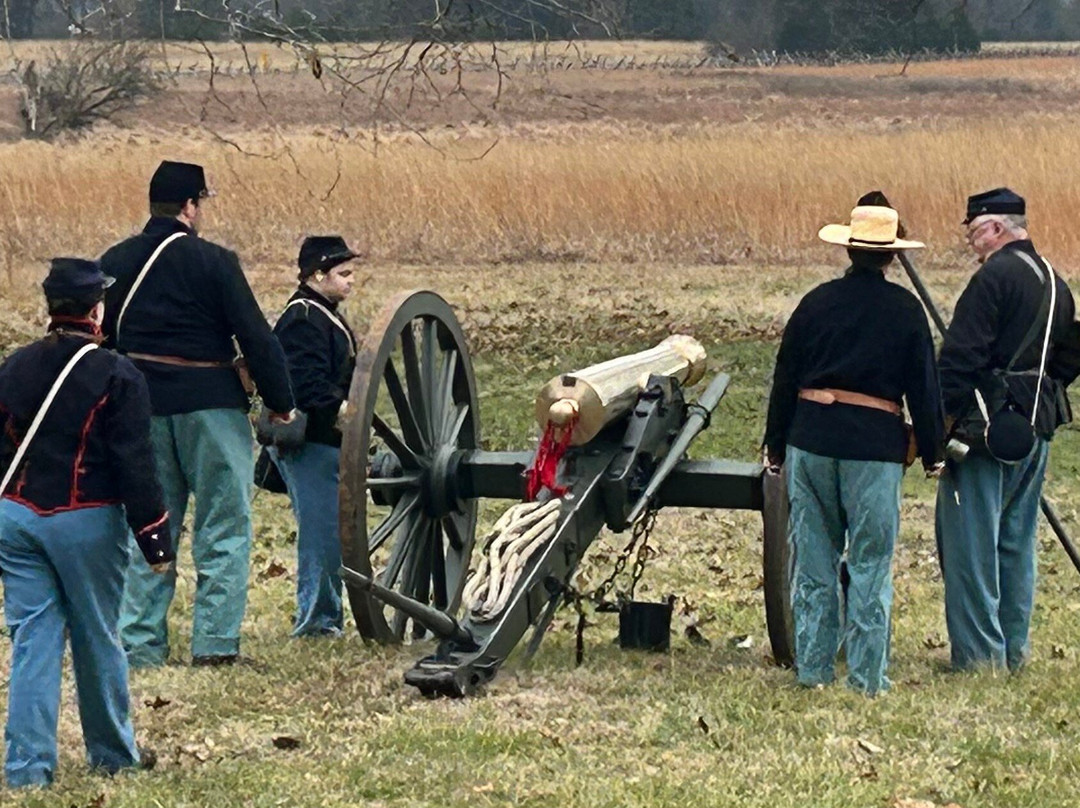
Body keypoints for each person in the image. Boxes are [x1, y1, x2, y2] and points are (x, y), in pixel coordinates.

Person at [100, 160, 295, 668]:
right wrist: (280, 400)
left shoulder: (115, 261)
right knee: (223, 526)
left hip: (139, 410)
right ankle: (214, 644)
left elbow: (103, 342)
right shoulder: (215, 262)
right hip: (210, 407)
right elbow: (256, 337)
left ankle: (140, 645)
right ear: (190, 206)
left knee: (148, 524)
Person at [0, 259, 173, 788]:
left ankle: (27, 770)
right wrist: (155, 538)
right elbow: (135, 464)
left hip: (14, 516)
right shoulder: (118, 374)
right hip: (84, 520)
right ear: (98, 309)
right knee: (98, 637)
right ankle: (114, 757)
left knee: (33, 639)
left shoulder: (13, 366)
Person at [764, 193, 945, 695]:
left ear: (849, 250)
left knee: (815, 563)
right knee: (869, 563)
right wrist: (932, 454)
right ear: (891, 255)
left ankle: (814, 669)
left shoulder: (815, 303)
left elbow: (785, 378)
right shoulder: (907, 310)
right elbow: (924, 389)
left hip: (811, 440)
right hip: (874, 448)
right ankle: (867, 678)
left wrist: (775, 444)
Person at [936, 188, 1075, 672]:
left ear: (995, 228)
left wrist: (941, 418)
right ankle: (1013, 651)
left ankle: (978, 658)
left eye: (974, 233)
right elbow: (1069, 356)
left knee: (971, 548)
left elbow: (959, 358)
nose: (973, 244)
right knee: (1016, 544)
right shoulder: (1057, 282)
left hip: (983, 431)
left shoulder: (993, 278)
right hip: (1035, 428)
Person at [268, 236, 359, 637]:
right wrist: (343, 412)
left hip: (325, 442)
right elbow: (306, 385)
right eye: (343, 274)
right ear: (317, 275)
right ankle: (317, 623)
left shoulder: (320, 313)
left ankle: (324, 616)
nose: (351, 281)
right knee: (321, 535)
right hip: (312, 442)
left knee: (328, 532)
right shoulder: (304, 317)